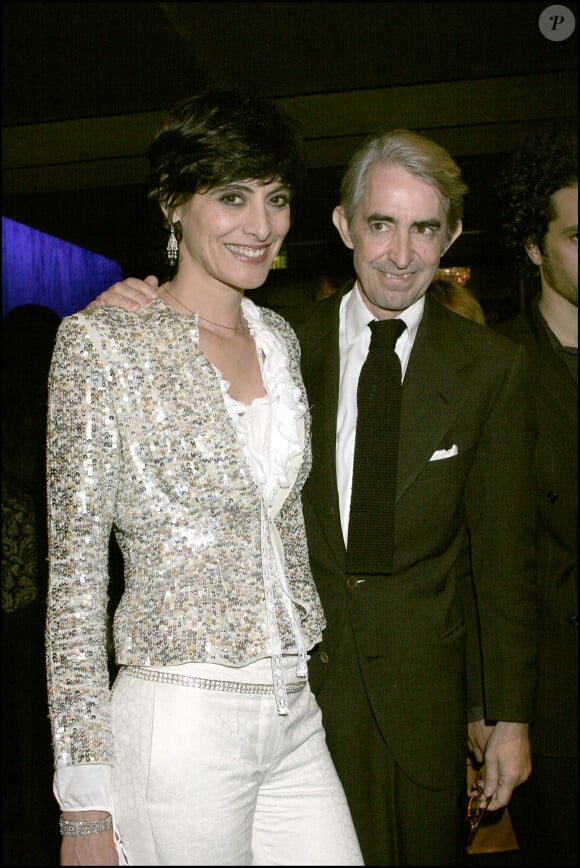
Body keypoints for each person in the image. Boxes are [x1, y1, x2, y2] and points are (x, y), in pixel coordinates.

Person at [91, 128, 540, 865]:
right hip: (290, 692)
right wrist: (135, 297)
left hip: (423, 700)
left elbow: (503, 560)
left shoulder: (493, 369)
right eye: (381, 225)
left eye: (424, 228)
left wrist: (507, 717)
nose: (401, 253)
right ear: (343, 227)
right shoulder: (278, 342)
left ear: (452, 233)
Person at [45, 88, 363, 867]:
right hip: (180, 718)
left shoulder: (278, 337)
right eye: (232, 197)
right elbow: (75, 585)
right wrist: (83, 803)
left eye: (277, 197)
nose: (261, 225)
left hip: (294, 708)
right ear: (173, 205)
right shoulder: (103, 344)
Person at [491, 133, 578, 867]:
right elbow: (485, 554)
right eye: (578, 235)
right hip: (556, 696)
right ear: (533, 246)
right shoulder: (499, 369)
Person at [2, 304, 62, 866]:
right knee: (45, 729)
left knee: (23, 723)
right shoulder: (58, 404)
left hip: (16, 594)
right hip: (46, 599)